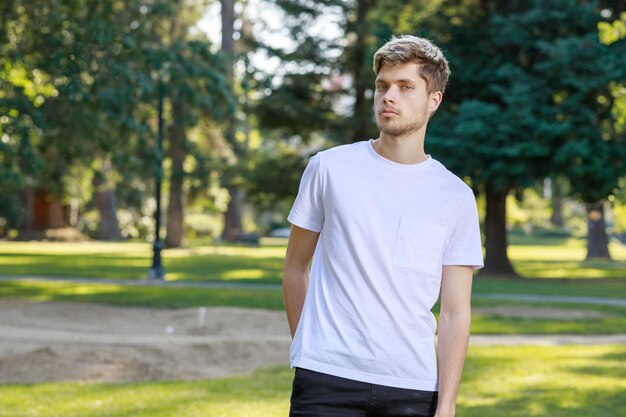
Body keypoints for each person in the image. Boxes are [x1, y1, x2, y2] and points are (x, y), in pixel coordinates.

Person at [283, 35, 484, 417]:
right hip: (326, 380)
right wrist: (307, 349)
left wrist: (447, 405)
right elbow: (295, 267)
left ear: (433, 100)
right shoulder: (328, 168)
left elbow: (456, 312)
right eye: (382, 86)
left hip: (412, 386)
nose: (388, 96)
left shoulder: (455, 196)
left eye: (405, 87)